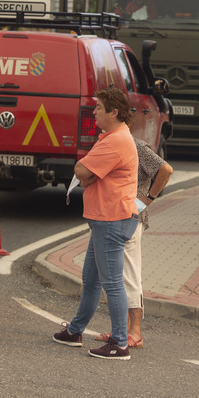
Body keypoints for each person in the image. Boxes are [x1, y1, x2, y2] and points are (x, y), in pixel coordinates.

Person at [53, 88, 140, 360]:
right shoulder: (113, 137)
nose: (94, 112)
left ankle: (119, 343)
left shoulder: (115, 141)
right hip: (106, 218)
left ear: (114, 112)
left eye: (99, 108)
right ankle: (75, 330)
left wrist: (84, 169)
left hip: (111, 218)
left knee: (112, 282)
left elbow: (81, 171)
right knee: (91, 279)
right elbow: (86, 173)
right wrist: (87, 172)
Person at [94, 139, 173, 348]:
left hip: (131, 217)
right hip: (115, 216)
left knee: (129, 274)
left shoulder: (135, 145)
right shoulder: (112, 143)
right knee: (118, 275)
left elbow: (165, 169)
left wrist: (146, 199)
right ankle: (121, 329)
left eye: (99, 108)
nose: (94, 114)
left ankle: (134, 332)